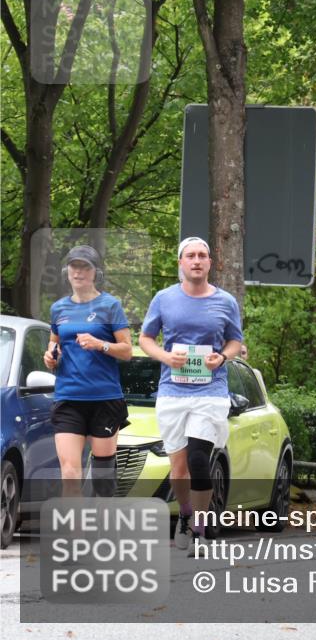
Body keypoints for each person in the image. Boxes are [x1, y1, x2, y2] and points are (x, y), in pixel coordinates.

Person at [139, 237, 243, 555]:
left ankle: (198, 527)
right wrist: (166, 357)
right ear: (181, 263)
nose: (196, 260)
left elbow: (235, 342)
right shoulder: (164, 299)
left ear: (210, 263)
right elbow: (145, 339)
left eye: (202, 255)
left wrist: (222, 357)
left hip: (210, 392)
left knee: (199, 459)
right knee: (179, 468)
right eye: (190, 256)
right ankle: (184, 512)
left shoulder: (225, 301)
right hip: (173, 392)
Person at [43, 245, 133, 497]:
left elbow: (127, 351)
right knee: (70, 472)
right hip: (69, 397)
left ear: (96, 273)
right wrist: (51, 357)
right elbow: (54, 342)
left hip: (104, 398)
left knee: (103, 478)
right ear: (66, 271)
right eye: (74, 266)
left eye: (85, 267)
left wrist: (100, 344)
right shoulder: (58, 308)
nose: (79, 271)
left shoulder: (110, 305)